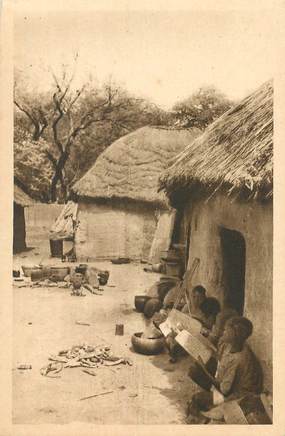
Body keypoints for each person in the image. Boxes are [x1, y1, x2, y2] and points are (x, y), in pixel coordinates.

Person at [186, 316, 263, 424]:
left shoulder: (239, 359)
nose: (223, 332)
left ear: (234, 335)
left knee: (197, 397)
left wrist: (204, 370)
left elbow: (224, 390)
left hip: (235, 396)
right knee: (195, 369)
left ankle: (201, 419)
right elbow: (220, 361)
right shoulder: (231, 345)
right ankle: (209, 403)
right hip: (227, 383)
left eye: (226, 330)